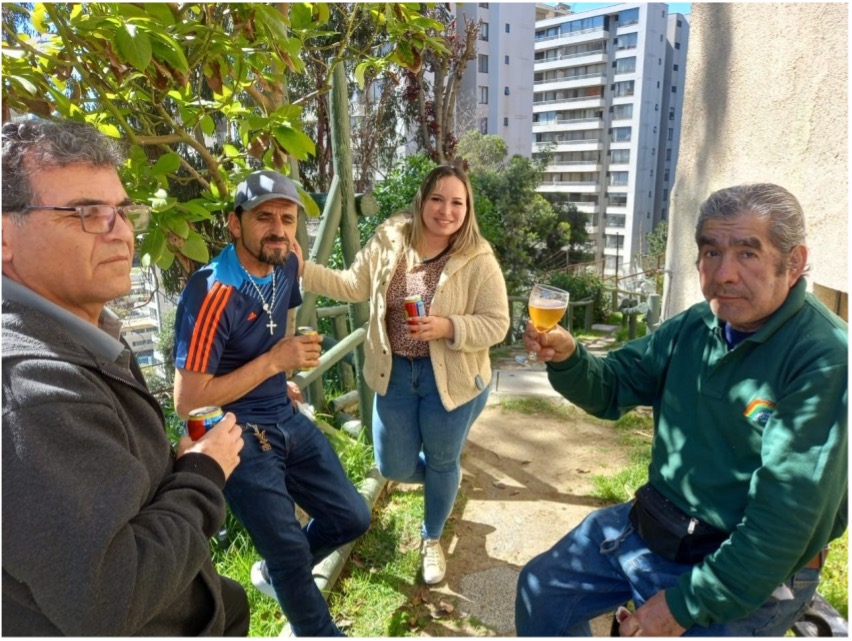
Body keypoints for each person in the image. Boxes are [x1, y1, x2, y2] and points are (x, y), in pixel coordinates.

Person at [515, 183, 847, 636]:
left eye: (747, 254)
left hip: (746, 564)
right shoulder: (698, 323)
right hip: (659, 526)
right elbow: (612, 386)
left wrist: (680, 606)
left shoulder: (823, 357)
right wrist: (570, 356)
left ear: (794, 262)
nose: (724, 273)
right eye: (711, 252)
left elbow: (781, 526)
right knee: (543, 590)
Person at [2, 119, 249, 635]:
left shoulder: (80, 332)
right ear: (5, 237)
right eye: (87, 213)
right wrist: (203, 475)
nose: (121, 230)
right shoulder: (31, 390)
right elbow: (114, 598)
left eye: (122, 210)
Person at [172, 169, 371, 636]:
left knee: (351, 516)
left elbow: (278, 322)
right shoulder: (211, 292)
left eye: (288, 217)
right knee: (286, 550)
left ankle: (276, 574)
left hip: (282, 412)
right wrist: (273, 363)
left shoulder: (287, 261)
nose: (279, 228)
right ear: (235, 223)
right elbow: (188, 402)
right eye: (264, 217)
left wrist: (279, 375)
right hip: (234, 431)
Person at [297, 164, 510, 585]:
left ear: (467, 210)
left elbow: (497, 323)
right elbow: (352, 285)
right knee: (392, 464)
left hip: (449, 378)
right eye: (437, 198)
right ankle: (443, 479)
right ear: (421, 199)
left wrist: (448, 326)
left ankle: (432, 536)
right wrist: (302, 269)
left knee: (444, 460)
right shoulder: (391, 239)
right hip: (394, 372)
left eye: (457, 203)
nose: (445, 211)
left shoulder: (477, 257)